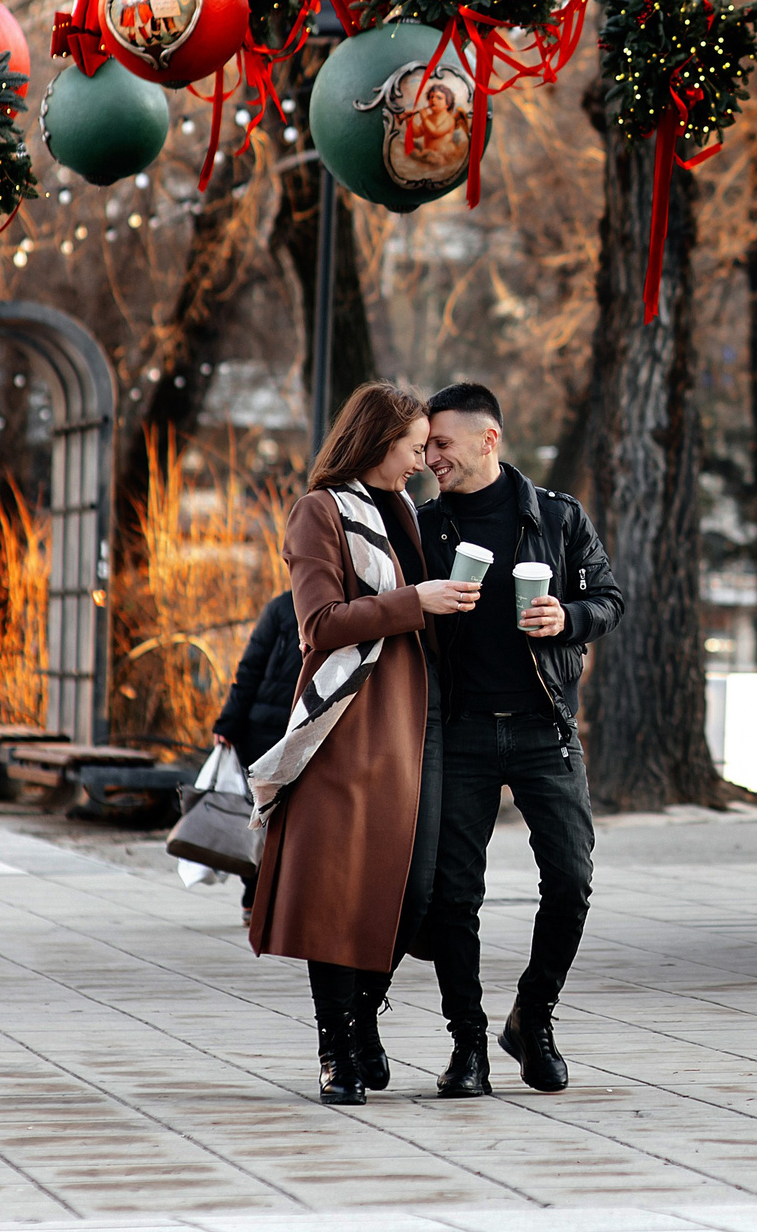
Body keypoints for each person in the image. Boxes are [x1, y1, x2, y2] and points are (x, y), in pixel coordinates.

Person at [245, 383, 480, 1105]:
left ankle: (364, 1019)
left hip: (420, 716)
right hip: (348, 720)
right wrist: (418, 601)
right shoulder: (320, 510)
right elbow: (319, 622)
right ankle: (337, 1048)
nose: (419, 460)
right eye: (413, 447)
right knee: (336, 893)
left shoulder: (408, 510)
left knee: (413, 894)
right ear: (377, 440)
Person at [417, 382, 624, 1097]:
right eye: (427, 444)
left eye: (442, 443)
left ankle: (531, 1020)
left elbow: (610, 598)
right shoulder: (424, 525)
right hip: (462, 729)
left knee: (570, 880)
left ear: (488, 439)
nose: (430, 456)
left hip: (545, 728)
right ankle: (467, 1044)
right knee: (454, 897)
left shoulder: (557, 517)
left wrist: (565, 616)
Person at [213, 590, 302, 920]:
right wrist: (229, 723)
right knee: (261, 818)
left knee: (289, 821)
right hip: (263, 730)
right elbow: (249, 669)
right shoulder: (280, 608)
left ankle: (273, 896)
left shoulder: (337, 606)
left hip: (302, 732)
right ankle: (254, 892)